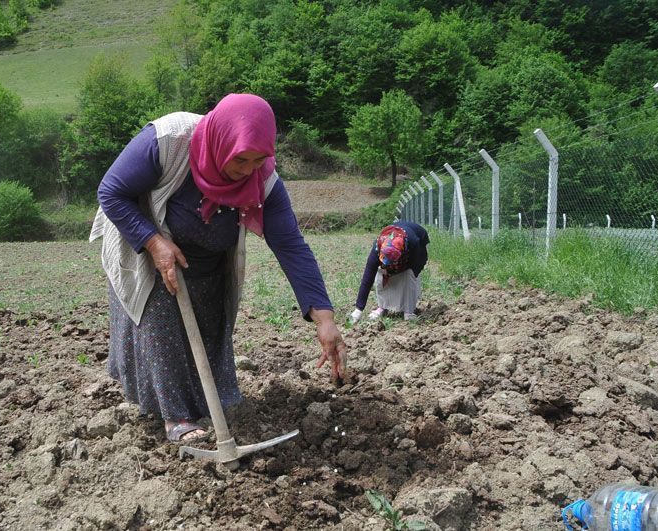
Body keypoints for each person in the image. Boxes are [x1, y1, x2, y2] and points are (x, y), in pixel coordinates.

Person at [89, 93, 347, 443]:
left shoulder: (264, 181)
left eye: (259, 160)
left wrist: (325, 318)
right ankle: (175, 418)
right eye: (241, 159)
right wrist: (153, 242)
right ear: (222, 143)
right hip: (149, 242)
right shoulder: (167, 141)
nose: (248, 170)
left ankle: (205, 406)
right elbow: (111, 192)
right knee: (161, 326)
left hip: (209, 262)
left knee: (210, 331)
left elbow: (290, 246)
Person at [349, 220, 429, 323]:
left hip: (419, 238)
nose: (389, 264)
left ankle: (409, 311)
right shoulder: (377, 249)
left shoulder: (414, 243)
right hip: (401, 244)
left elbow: (418, 265)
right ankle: (383, 306)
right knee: (381, 272)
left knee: (410, 274)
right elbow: (367, 279)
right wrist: (358, 310)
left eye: (393, 262)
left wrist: (399, 271)